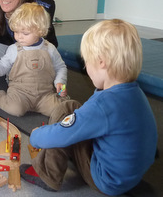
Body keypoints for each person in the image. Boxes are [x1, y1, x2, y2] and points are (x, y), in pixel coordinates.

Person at [20, 19, 158, 195]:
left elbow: (61, 134)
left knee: (65, 111)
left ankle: (48, 174)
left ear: (101, 62)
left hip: (106, 180)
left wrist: (36, 136)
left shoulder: (103, 104)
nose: (86, 67)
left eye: (87, 62)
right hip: (131, 175)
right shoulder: (135, 92)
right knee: (75, 110)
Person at [0, 3, 68, 117]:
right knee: (15, 109)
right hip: (20, 94)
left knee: (61, 110)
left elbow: (61, 67)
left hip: (45, 94)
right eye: (16, 32)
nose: (19, 37)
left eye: (25, 33)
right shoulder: (14, 49)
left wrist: (60, 83)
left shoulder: (49, 48)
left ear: (40, 31)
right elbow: (3, 66)